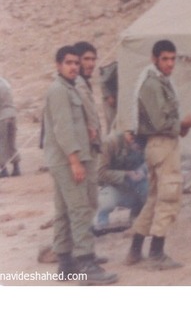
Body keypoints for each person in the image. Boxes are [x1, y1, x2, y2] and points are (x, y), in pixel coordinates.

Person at [43, 45, 117, 284]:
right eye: (69, 63)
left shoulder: (70, 87)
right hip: (68, 160)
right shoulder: (58, 90)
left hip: (69, 157)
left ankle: (66, 263)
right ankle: (86, 263)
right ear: (58, 65)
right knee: (80, 209)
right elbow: (63, 129)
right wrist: (75, 161)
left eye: (76, 63)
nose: (74, 67)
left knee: (65, 210)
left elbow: (73, 123)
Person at [124, 39, 191, 270]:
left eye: (173, 59)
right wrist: (182, 125)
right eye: (165, 59)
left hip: (161, 144)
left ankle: (135, 250)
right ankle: (156, 253)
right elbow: (159, 122)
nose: (170, 64)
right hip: (162, 144)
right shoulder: (154, 85)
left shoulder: (159, 82)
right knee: (168, 197)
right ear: (154, 59)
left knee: (155, 198)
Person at [93, 131, 148, 235]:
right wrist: (126, 174)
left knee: (149, 192)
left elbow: (149, 162)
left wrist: (142, 170)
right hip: (114, 186)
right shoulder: (110, 143)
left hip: (134, 186)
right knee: (107, 202)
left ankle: (136, 215)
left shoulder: (144, 141)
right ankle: (102, 217)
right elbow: (100, 173)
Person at [73, 41, 102, 213]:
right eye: (86, 59)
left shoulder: (83, 83)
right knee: (87, 198)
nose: (91, 64)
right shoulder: (76, 84)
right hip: (82, 149)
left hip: (87, 147)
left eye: (93, 59)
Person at [0, 76, 20, 177]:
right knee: (12, 142)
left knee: (2, 143)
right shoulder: (5, 83)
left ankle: (3, 169)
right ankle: (16, 167)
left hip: (2, 117)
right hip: (12, 114)